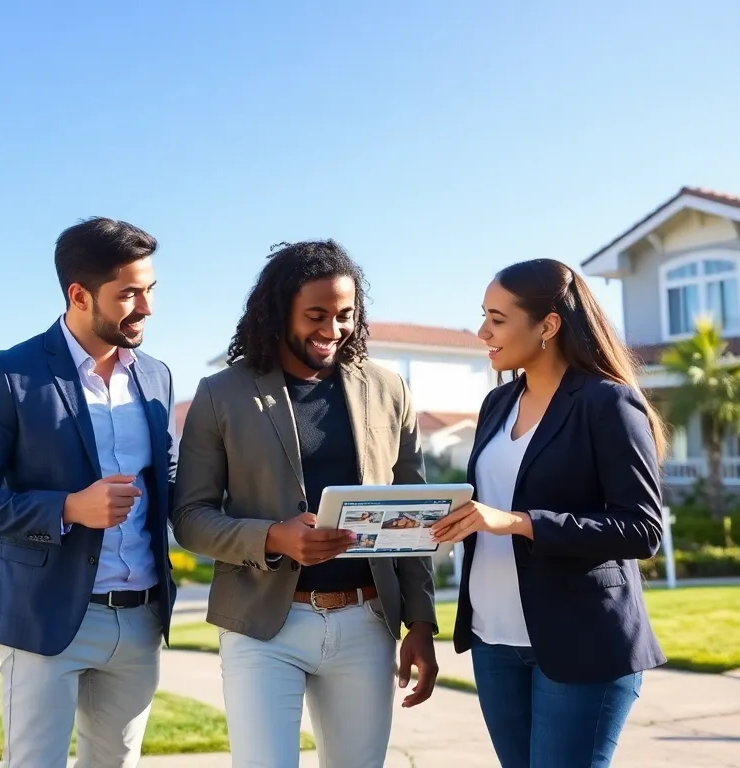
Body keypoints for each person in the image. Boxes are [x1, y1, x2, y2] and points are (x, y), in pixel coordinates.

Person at [171, 240, 439, 768]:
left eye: (345, 315)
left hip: (367, 622)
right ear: (278, 312)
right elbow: (189, 518)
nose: (332, 330)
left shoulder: (389, 389)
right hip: (262, 624)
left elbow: (413, 520)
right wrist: (273, 537)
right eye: (315, 315)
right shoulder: (221, 394)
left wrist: (422, 625)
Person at [0, 217, 178, 768]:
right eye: (129, 294)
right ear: (79, 295)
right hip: (45, 620)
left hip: (141, 620)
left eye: (151, 290)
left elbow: (171, 483)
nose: (147, 307)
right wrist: (70, 508)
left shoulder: (157, 376)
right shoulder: (8, 373)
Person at [430, 257, 667, 768]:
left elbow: (642, 528)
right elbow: (484, 503)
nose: (482, 331)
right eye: (483, 316)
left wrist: (521, 522)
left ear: (548, 326)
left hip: (581, 642)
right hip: (494, 638)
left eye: (497, 319)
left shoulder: (608, 403)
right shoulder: (498, 404)